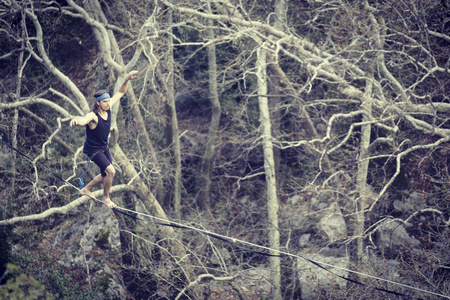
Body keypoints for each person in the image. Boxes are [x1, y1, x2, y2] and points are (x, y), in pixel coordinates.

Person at [70, 71, 138, 208]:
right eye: (105, 102)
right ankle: (106, 198)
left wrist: (126, 80)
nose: (108, 104)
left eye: (108, 101)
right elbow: (84, 120)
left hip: (103, 147)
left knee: (105, 175)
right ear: (98, 103)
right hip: (93, 150)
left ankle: (86, 189)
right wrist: (77, 120)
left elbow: (120, 92)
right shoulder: (93, 116)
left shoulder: (108, 107)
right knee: (111, 171)